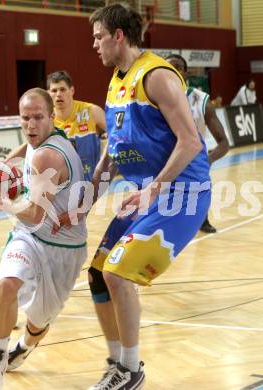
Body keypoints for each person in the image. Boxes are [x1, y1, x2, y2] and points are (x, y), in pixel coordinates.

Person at [80, 4, 211, 389]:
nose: (94, 45)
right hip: (146, 194)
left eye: (98, 37)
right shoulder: (117, 79)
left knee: (117, 274)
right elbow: (116, 145)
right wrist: (92, 187)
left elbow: (189, 141)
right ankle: (118, 360)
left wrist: (153, 187)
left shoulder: (156, 76)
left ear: (118, 35)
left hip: (181, 194)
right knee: (99, 276)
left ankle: (131, 370)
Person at [0, 88, 87, 390]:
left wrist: (2, 203)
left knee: (38, 322)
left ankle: (23, 348)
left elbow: (37, 213)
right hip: (29, 237)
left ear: (52, 118)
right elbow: (32, 220)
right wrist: (1, 165)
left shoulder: (48, 156)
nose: (30, 125)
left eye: (38, 118)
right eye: (25, 118)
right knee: (7, 283)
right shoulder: (44, 140)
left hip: (63, 247)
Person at [166, 54, 229, 233]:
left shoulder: (201, 101)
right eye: (168, 67)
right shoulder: (154, 99)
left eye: (177, 67)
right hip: (165, 159)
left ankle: (203, 219)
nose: (173, 71)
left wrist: (206, 161)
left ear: (185, 72)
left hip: (194, 160)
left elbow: (224, 143)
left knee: (197, 198)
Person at [47, 70, 106, 181]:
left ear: (72, 90)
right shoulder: (46, 120)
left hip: (93, 186)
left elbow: (117, 136)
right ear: (48, 93)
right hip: (64, 189)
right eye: (54, 90)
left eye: (62, 89)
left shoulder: (92, 111)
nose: (58, 94)